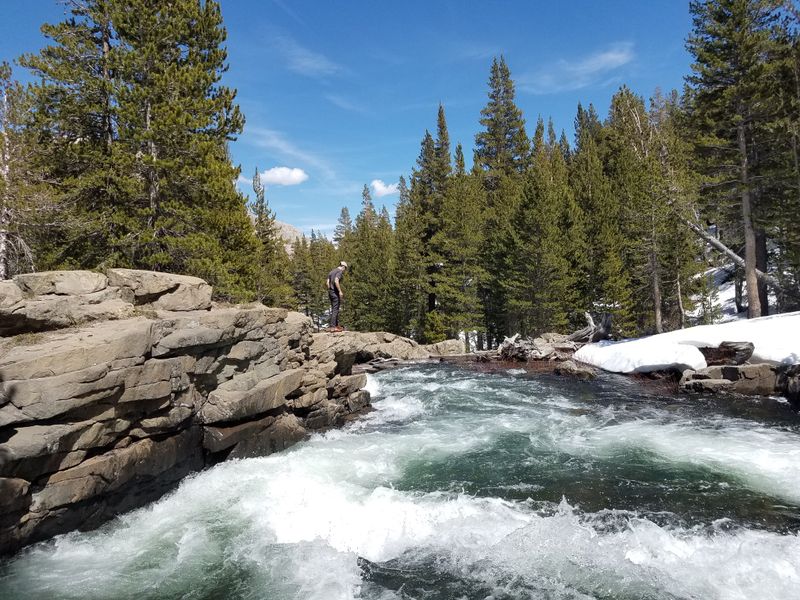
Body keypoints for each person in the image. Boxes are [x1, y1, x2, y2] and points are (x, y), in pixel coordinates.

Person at [326, 261, 347, 332]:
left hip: (330, 293)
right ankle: (333, 327)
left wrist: (330, 289)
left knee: (334, 309)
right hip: (335, 293)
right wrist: (339, 291)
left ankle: (336, 325)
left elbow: (327, 282)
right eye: (345, 268)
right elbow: (336, 281)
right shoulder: (339, 271)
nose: (345, 270)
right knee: (336, 309)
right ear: (343, 267)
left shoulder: (332, 271)